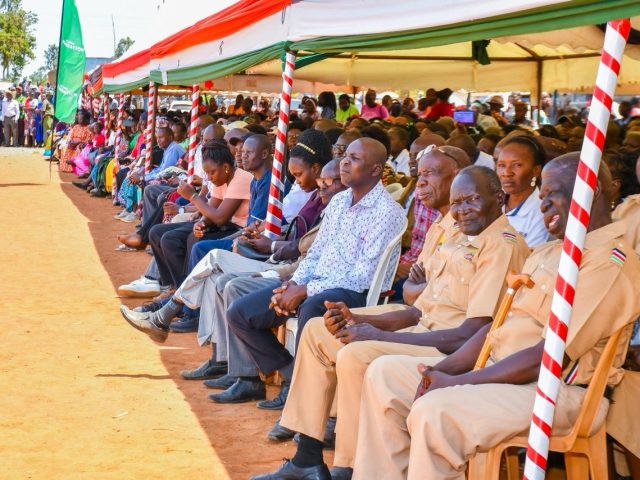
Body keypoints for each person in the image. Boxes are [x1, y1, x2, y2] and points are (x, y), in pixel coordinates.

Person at [353, 153, 640, 480]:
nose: (543, 205)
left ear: (591, 191)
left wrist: (457, 382)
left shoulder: (609, 262)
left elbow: (547, 358)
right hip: (500, 370)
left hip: (556, 389)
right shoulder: (549, 252)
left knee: (438, 411)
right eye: (542, 197)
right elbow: (496, 328)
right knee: (385, 374)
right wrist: (442, 370)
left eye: (553, 194)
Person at [253, 163, 530, 480]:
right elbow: (417, 309)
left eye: (472, 200)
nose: (462, 210)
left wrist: (375, 334)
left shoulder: (500, 245)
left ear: (498, 197)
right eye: (457, 203)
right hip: (425, 329)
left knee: (356, 355)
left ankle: (349, 466)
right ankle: (307, 457)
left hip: (452, 349)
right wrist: (356, 318)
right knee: (319, 328)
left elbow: (469, 334)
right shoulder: (463, 237)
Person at [223, 138, 404, 418]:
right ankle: (291, 376)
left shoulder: (387, 212)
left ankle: (304, 408)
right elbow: (315, 253)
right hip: (314, 283)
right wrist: (294, 284)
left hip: (351, 292)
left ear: (375, 169)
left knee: (312, 307)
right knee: (240, 313)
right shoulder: (339, 201)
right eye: (346, 156)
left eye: (355, 158)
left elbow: (362, 277)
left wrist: (306, 290)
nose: (345, 162)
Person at [496, 135, 550, 247]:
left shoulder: (541, 212)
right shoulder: (491, 201)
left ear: (536, 170)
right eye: (501, 165)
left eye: (517, 165)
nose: (507, 173)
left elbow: (530, 255)